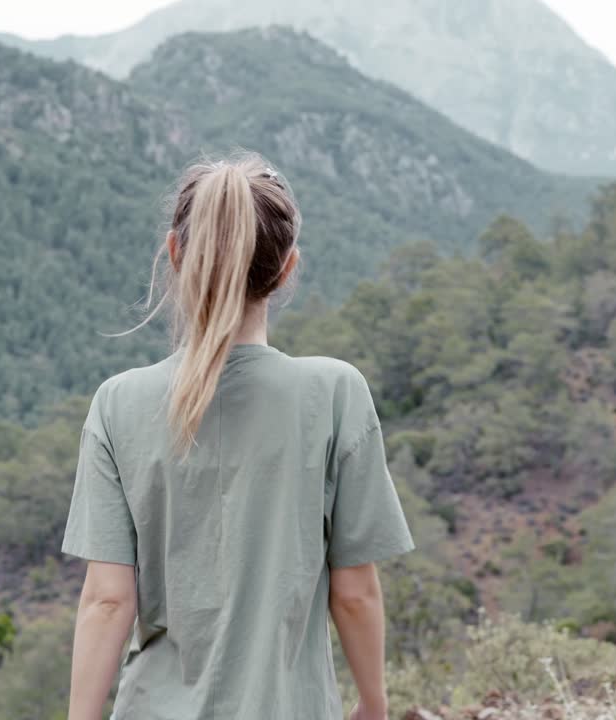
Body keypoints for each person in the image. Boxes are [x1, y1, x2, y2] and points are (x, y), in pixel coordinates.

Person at [62, 152, 415, 720]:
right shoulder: (333, 394)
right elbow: (354, 594)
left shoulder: (117, 403)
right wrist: (373, 703)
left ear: (176, 255)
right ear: (286, 269)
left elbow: (107, 600)